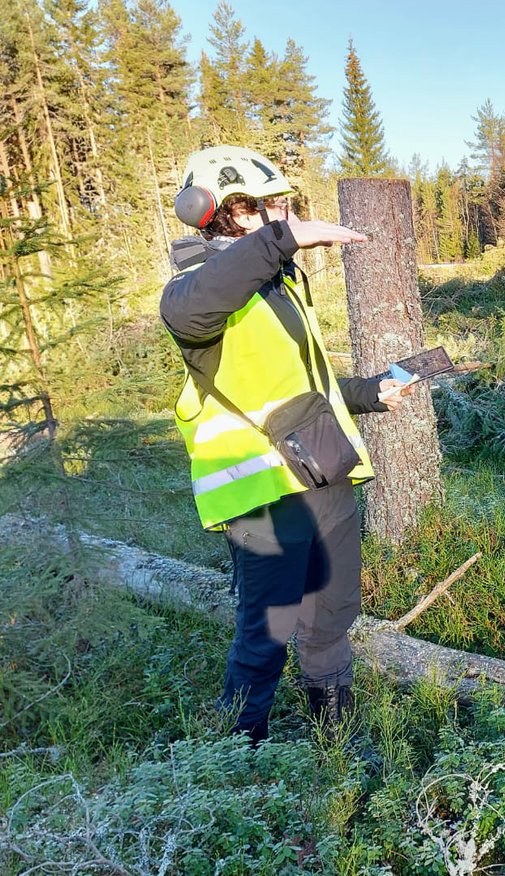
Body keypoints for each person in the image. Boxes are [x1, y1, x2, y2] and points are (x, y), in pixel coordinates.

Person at [160, 145, 410, 744]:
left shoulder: (278, 287)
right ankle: (234, 764)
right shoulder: (194, 294)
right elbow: (192, 308)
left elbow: (303, 386)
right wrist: (285, 239)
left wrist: (373, 391)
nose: (282, 213)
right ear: (220, 212)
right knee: (265, 635)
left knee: (329, 622)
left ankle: (337, 748)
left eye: (284, 203)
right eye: (266, 206)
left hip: (322, 477)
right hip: (264, 495)